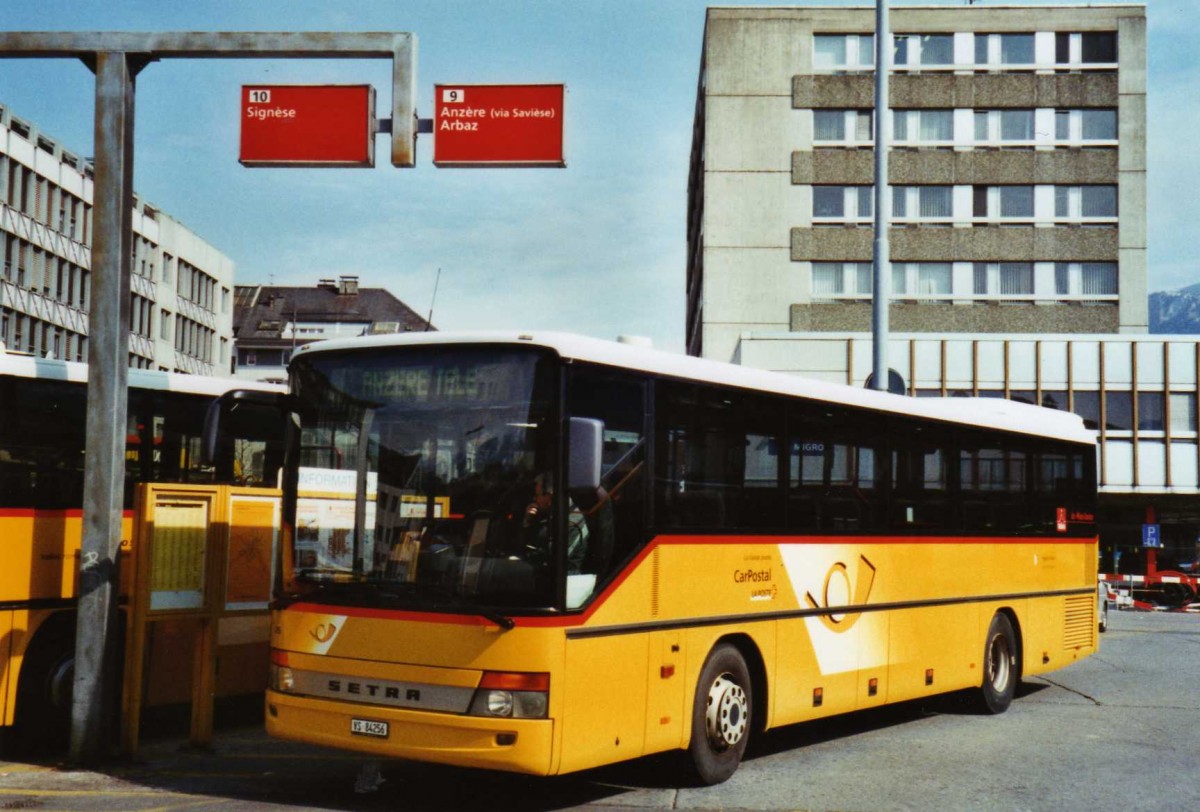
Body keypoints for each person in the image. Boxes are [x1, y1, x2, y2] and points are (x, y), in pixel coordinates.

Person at [522, 473, 587, 573]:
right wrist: (528, 520)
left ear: (550, 496)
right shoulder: (549, 512)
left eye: (537, 495)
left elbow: (555, 558)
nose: (535, 499)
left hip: (564, 579)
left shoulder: (573, 523)